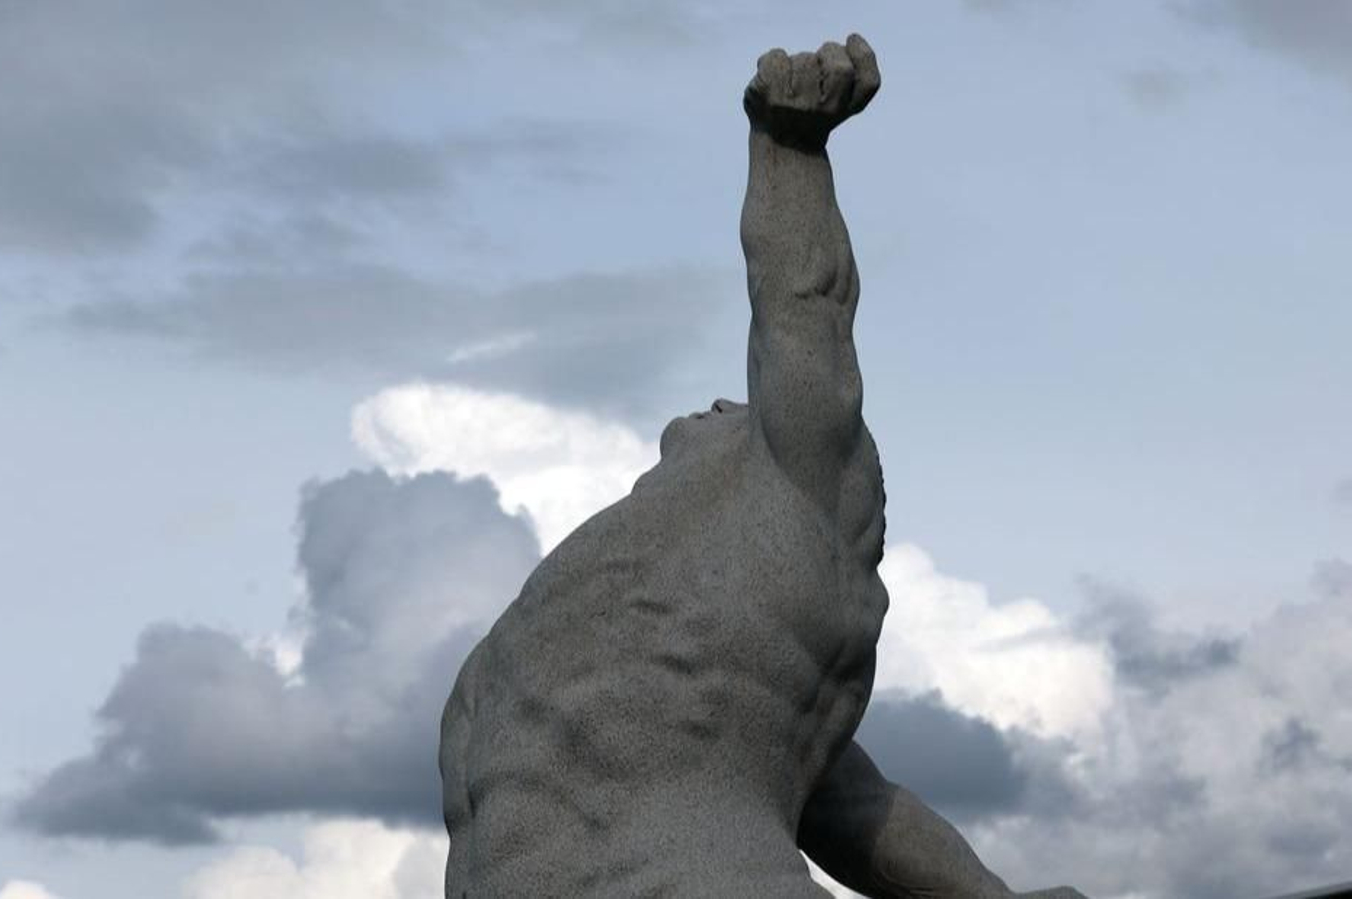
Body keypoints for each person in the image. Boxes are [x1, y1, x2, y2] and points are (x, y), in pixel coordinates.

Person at [441, 34, 1084, 899]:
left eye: (741, 408)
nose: (709, 407)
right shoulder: (520, 643)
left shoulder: (786, 506)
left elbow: (803, 308)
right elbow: (859, 814)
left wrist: (790, 151)